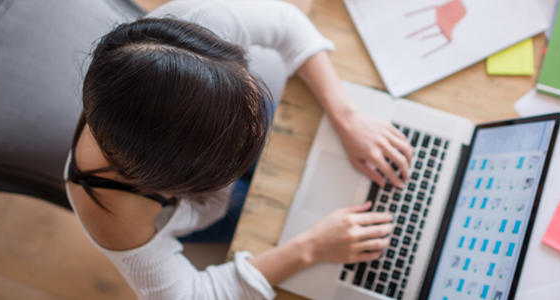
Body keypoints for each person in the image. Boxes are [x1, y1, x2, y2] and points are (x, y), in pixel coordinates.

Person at [64, 0, 414, 299]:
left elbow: (287, 24)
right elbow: (193, 295)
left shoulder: (188, 33)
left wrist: (346, 115)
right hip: (207, 213)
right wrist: (310, 248)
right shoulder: (110, 211)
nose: (264, 129)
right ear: (176, 183)